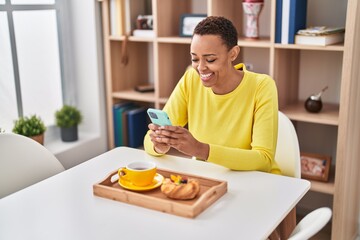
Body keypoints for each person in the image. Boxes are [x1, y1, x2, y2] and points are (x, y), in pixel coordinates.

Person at [144, 16, 280, 174]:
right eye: (195, 58)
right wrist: (159, 145)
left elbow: (264, 160)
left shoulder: (261, 86)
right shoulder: (191, 79)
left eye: (210, 59)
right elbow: (149, 138)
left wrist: (201, 150)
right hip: (210, 178)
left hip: (258, 180)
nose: (201, 68)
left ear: (233, 54)